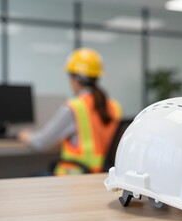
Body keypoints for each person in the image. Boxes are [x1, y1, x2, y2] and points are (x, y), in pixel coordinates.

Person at [18, 48, 122, 176]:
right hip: (103, 177)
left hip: (74, 178)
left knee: (30, 178)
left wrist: (24, 136)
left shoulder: (74, 107)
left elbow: (40, 143)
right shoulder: (114, 107)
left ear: (74, 78)